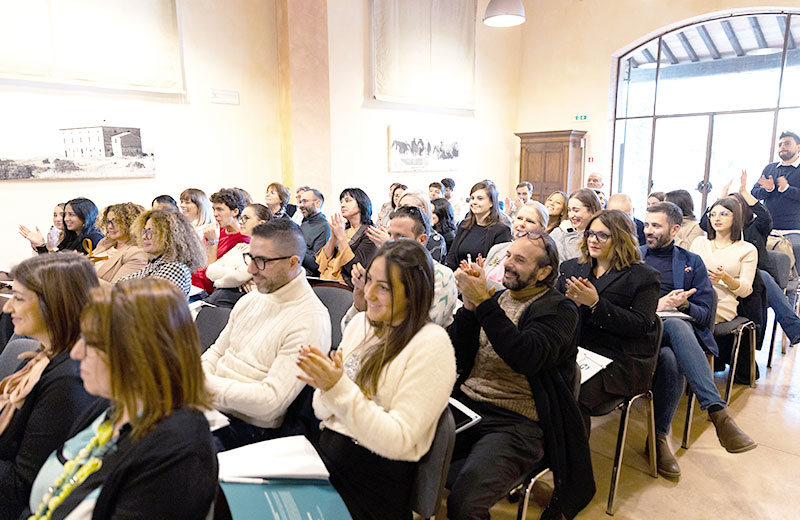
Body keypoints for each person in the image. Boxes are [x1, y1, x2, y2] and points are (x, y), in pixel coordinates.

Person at [26, 278, 217, 519]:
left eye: (90, 343)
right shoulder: (111, 405)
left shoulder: (179, 452)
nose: (75, 353)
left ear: (136, 355)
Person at [298, 240, 456, 520]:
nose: (367, 293)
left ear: (413, 293)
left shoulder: (432, 344)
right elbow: (322, 411)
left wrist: (337, 388)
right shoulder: (360, 325)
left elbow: (398, 440)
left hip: (376, 479)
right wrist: (329, 388)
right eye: (369, 280)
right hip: (329, 455)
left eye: (383, 287)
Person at [446, 231, 594, 520]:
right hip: (468, 407)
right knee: (393, 457)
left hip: (517, 422)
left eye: (520, 260)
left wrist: (484, 304)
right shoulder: (499, 299)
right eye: (509, 255)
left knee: (464, 506)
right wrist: (469, 305)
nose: (507, 264)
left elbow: (526, 356)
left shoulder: (560, 310)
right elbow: (458, 354)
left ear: (544, 272)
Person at [643, 202, 755, 481]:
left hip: (676, 327)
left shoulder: (691, 263)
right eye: (646, 225)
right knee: (680, 330)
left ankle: (656, 439)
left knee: (671, 357)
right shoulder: (635, 257)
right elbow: (622, 304)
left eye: (656, 226)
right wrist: (658, 305)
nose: (648, 231)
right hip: (641, 328)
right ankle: (717, 412)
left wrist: (683, 307)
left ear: (675, 229)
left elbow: (706, 316)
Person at [203, 219, 331, 450]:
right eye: (250, 258)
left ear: (293, 263)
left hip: (250, 431)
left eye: (262, 261)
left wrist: (203, 386)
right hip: (214, 408)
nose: (251, 269)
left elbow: (270, 403)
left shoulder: (309, 319)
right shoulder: (252, 299)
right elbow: (216, 352)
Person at [0, 254, 100, 520]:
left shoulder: (69, 380)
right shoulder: (46, 357)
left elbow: (22, 486)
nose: (9, 308)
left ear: (55, 304)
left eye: (19, 299)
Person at [557, 209, 660, 425]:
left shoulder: (643, 276)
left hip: (618, 359)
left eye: (602, 235)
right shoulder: (571, 267)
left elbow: (641, 325)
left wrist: (595, 304)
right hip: (576, 349)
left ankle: (573, 458)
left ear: (621, 238)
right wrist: (569, 306)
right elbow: (555, 312)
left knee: (574, 398)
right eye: (590, 234)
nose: (593, 240)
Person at [343, 206, 457, 331]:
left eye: (400, 236)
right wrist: (361, 302)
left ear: (421, 240)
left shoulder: (441, 276)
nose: (390, 242)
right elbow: (347, 329)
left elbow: (418, 331)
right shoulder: (381, 270)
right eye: (390, 235)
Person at [691, 198, 759, 376]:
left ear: (735, 218)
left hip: (723, 302)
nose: (716, 218)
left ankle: (695, 372)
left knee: (687, 319)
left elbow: (746, 289)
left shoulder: (746, 249)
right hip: (694, 295)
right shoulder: (700, 242)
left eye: (723, 214)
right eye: (712, 214)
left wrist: (726, 278)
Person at [118, 207, 207, 297]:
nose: (145, 236)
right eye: (145, 231)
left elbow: (147, 302)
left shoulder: (175, 269)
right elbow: (119, 285)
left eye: (152, 232)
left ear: (170, 236)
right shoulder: (156, 263)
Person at [204, 203, 272, 308]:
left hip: (238, 302)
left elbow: (238, 277)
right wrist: (236, 274)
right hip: (219, 296)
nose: (240, 222)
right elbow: (210, 271)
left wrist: (218, 282)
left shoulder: (264, 251)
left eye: (246, 218)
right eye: (241, 218)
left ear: (261, 223)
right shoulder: (240, 247)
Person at [751, 131, 800, 262]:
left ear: (798, 147)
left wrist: (787, 189)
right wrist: (769, 189)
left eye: (787, 143)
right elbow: (754, 193)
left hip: (794, 229)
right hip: (768, 227)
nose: (782, 147)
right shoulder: (770, 168)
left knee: (788, 268)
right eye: (780, 144)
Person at [445, 180, 513, 270]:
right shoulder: (464, 225)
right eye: (472, 198)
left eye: (480, 198)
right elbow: (452, 255)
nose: (474, 202)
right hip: (458, 276)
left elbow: (496, 264)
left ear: (491, 202)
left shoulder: (501, 230)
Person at [317, 188, 377, 288]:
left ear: (361, 203)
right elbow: (322, 263)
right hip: (326, 278)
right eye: (341, 202)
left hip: (345, 284)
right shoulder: (343, 228)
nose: (343, 205)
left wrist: (340, 237)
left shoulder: (370, 233)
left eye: (348, 200)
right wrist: (333, 237)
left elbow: (355, 269)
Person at [193, 188, 250, 293]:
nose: (215, 214)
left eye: (220, 209)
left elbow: (212, 278)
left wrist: (213, 242)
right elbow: (199, 261)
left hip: (205, 289)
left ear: (235, 212)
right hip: (194, 281)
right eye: (214, 209)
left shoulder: (243, 240)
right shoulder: (216, 231)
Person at [484, 201, 549, 290]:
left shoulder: (539, 257)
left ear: (542, 229)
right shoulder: (498, 248)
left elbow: (514, 292)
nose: (521, 224)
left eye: (530, 221)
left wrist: (481, 282)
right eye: (519, 218)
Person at [92, 202, 149, 285]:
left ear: (131, 223)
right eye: (108, 221)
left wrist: (84, 273)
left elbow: (116, 290)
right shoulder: (105, 242)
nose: (110, 227)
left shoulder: (137, 253)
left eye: (116, 221)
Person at [28, 197, 103, 255]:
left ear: (85, 217)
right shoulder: (70, 237)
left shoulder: (94, 238)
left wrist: (52, 249)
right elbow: (50, 266)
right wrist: (41, 246)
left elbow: (65, 268)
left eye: (71, 214)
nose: (66, 219)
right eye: (65, 214)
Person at [550, 188, 602, 262]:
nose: (571, 215)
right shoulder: (558, 232)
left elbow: (579, 262)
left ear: (592, 210)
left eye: (576, 210)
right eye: (569, 210)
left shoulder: (597, 237)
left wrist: (570, 233)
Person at [296, 187, 330, 277]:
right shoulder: (304, 222)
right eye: (300, 202)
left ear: (317, 203)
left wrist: (294, 249)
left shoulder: (324, 226)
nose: (301, 205)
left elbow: (316, 263)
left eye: (305, 201)